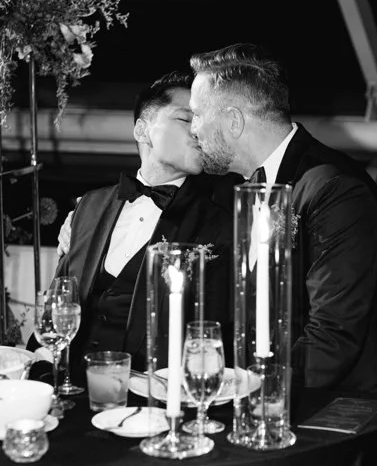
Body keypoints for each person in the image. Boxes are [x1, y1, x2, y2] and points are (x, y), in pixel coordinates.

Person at [186, 43, 377, 395]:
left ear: (233, 121)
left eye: (197, 114)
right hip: (279, 393)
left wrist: (251, 391)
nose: (193, 129)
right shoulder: (244, 189)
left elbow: (333, 335)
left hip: (351, 411)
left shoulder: (336, 190)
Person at [36, 70, 236, 382]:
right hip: (69, 384)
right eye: (186, 119)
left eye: (201, 120)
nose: (198, 130)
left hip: (151, 396)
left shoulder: (217, 225)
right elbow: (57, 302)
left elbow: (215, 332)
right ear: (142, 130)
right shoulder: (89, 205)